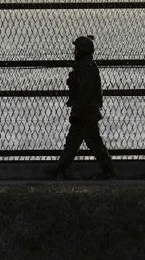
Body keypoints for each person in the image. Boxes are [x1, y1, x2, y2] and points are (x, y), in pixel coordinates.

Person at [50, 35, 115, 180]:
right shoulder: (86, 65)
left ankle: (108, 169)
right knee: (75, 141)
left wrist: (77, 111)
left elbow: (84, 93)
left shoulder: (85, 67)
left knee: (91, 142)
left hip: (85, 112)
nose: (75, 52)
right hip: (86, 111)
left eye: (77, 49)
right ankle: (62, 168)